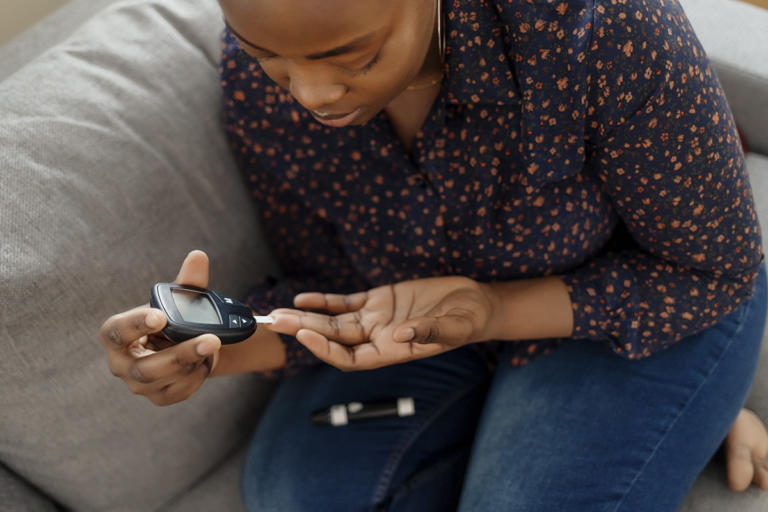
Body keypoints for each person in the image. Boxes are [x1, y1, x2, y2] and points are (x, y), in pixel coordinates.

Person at [98, 0, 768, 509]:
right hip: (425, 325)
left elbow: (712, 270)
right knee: (293, 495)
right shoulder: (259, 82)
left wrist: (491, 312)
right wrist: (220, 350)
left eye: (352, 57)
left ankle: (695, 400)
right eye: (269, 59)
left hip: (641, 298)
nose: (309, 95)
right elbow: (333, 290)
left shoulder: (602, 28)